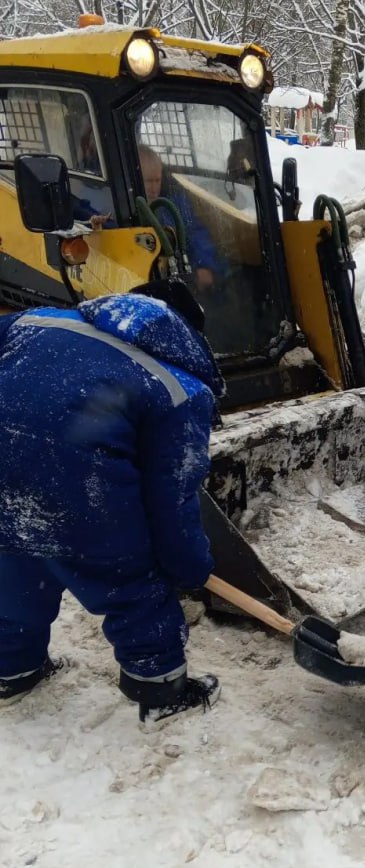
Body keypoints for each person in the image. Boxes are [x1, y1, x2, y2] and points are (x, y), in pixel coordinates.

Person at [0, 286, 225, 723]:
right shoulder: (177, 388)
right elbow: (172, 500)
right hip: (79, 486)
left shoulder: (38, 320)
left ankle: (12, 671)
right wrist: (187, 570)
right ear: (187, 336)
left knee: (12, 568)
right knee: (131, 583)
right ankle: (160, 690)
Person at [138, 145, 218, 294]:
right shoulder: (125, 206)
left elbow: (195, 232)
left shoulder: (174, 203)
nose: (154, 187)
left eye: (157, 180)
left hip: (177, 275)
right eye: (148, 181)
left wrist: (204, 265)